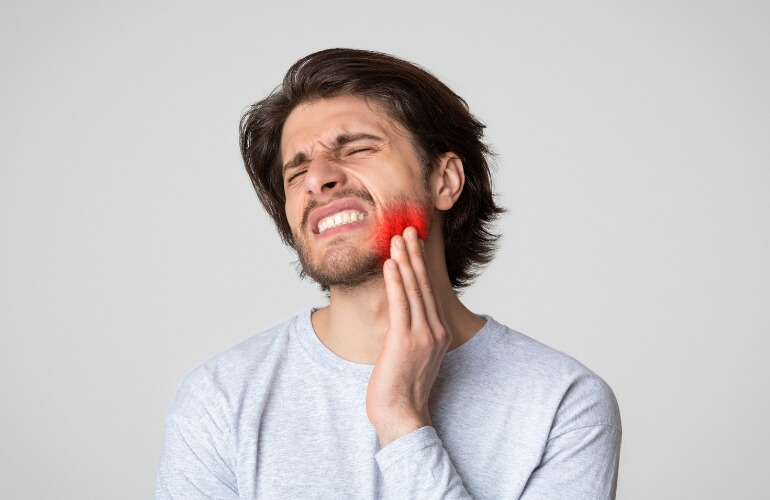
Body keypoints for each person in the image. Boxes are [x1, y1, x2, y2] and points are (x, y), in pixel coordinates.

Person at [155, 48, 621, 499]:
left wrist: (401, 420)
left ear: (445, 181)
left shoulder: (563, 402)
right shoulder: (218, 398)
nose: (318, 178)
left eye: (356, 148)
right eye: (296, 173)